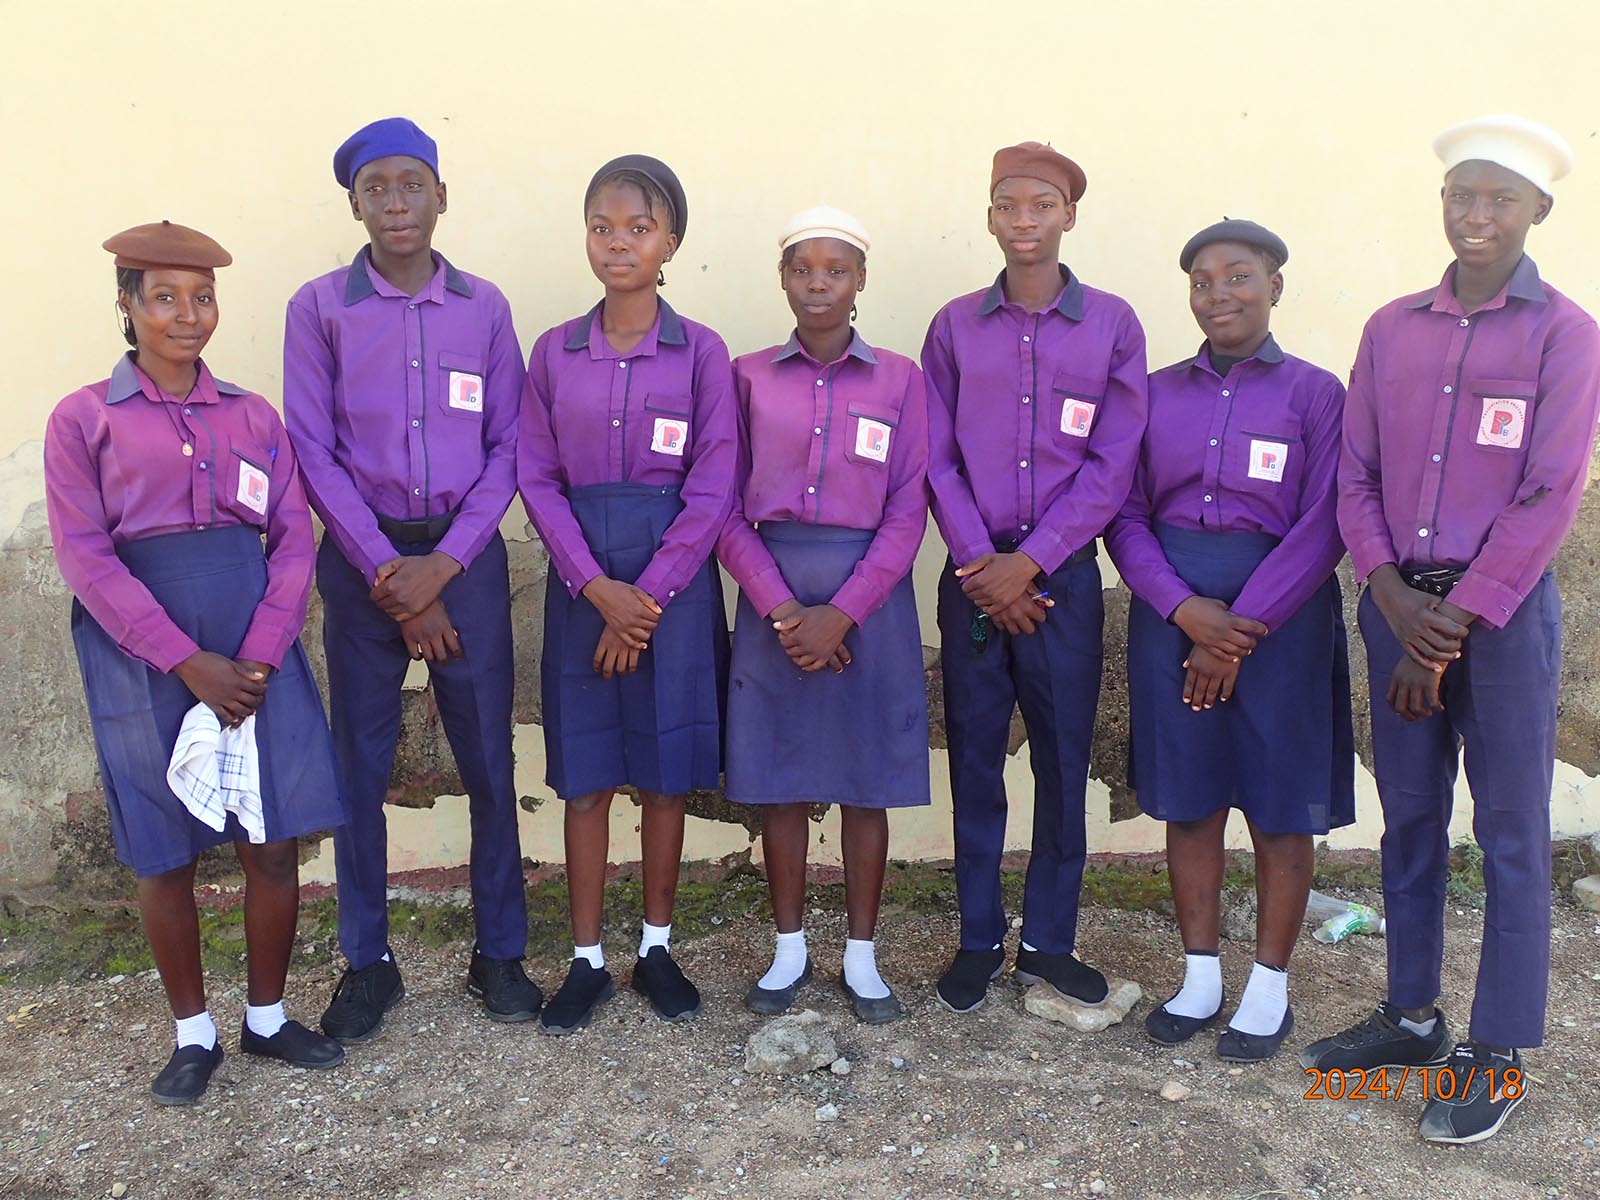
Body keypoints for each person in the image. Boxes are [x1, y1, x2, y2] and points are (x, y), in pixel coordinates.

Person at [1304, 114, 1600, 1144]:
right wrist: (1387, 595)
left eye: (1500, 199)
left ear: (1538, 213)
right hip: (1397, 607)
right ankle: (1412, 1013)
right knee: (1412, 814)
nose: (1476, 216)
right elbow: (1354, 474)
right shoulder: (1392, 328)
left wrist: (1455, 621)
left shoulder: (1565, 334)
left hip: (1502, 620)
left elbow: (1550, 491)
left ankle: (1497, 1046)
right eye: (1460, 196)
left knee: (1511, 827)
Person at [46, 221, 348, 1104]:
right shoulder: (84, 419)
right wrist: (186, 663)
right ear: (128, 305)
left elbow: (295, 540)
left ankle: (266, 1017)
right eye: (165, 297)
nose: (188, 315)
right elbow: (86, 558)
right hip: (142, 653)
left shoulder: (253, 416)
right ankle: (192, 1033)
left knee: (274, 838)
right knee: (163, 850)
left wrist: (254, 658)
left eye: (203, 297)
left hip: (258, 650)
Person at [283, 117, 537, 1042]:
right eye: (377, 187)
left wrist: (444, 566)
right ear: (354, 202)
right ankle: (366, 961)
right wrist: (391, 572)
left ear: (441, 194)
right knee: (359, 766)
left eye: (412, 184)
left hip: (461, 560)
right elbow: (310, 449)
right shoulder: (318, 308)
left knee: (489, 764)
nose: (396, 201)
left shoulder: (485, 307)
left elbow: (512, 445)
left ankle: (499, 951)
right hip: (365, 569)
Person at [1104, 219, 1354, 1062]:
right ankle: (1201, 975)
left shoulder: (1318, 394)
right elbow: (1126, 515)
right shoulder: (1152, 392)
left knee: (1282, 805)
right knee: (1191, 793)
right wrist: (1183, 612)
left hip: (1277, 621)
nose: (1220, 295)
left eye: (1239, 277)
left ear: (1276, 286)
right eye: (1203, 281)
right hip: (1172, 614)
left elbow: (1327, 522)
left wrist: (1236, 632)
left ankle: (1269, 987)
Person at [922, 141, 1148, 1013]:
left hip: (1061, 584)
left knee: (1062, 762)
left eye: (1042, 204)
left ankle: (1051, 939)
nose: (1025, 220)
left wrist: (1032, 563)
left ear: (1068, 216)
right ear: (989, 216)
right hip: (976, 580)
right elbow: (935, 457)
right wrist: (985, 566)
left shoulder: (1114, 325)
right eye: (1009, 204)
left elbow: (1112, 461)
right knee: (976, 762)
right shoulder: (953, 327)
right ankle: (979, 937)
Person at [519, 154, 736, 1034]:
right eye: (602, 226)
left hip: (670, 592)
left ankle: (655, 947)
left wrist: (643, 599)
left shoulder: (702, 354)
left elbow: (714, 483)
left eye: (638, 228)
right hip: (584, 585)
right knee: (587, 778)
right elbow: (535, 478)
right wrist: (596, 589)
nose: (618, 243)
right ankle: (584, 961)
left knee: (663, 777)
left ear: (669, 242)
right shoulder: (553, 352)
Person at [717, 207, 931, 1024]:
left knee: (863, 783)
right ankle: (788, 948)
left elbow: (909, 511)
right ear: (783, 278)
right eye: (803, 268)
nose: (818, 284)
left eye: (835, 270)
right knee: (781, 783)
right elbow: (722, 506)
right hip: (773, 593)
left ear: (860, 281)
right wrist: (781, 609)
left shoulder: (901, 380)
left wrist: (841, 613)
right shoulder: (746, 377)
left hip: (867, 602)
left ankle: (863, 955)